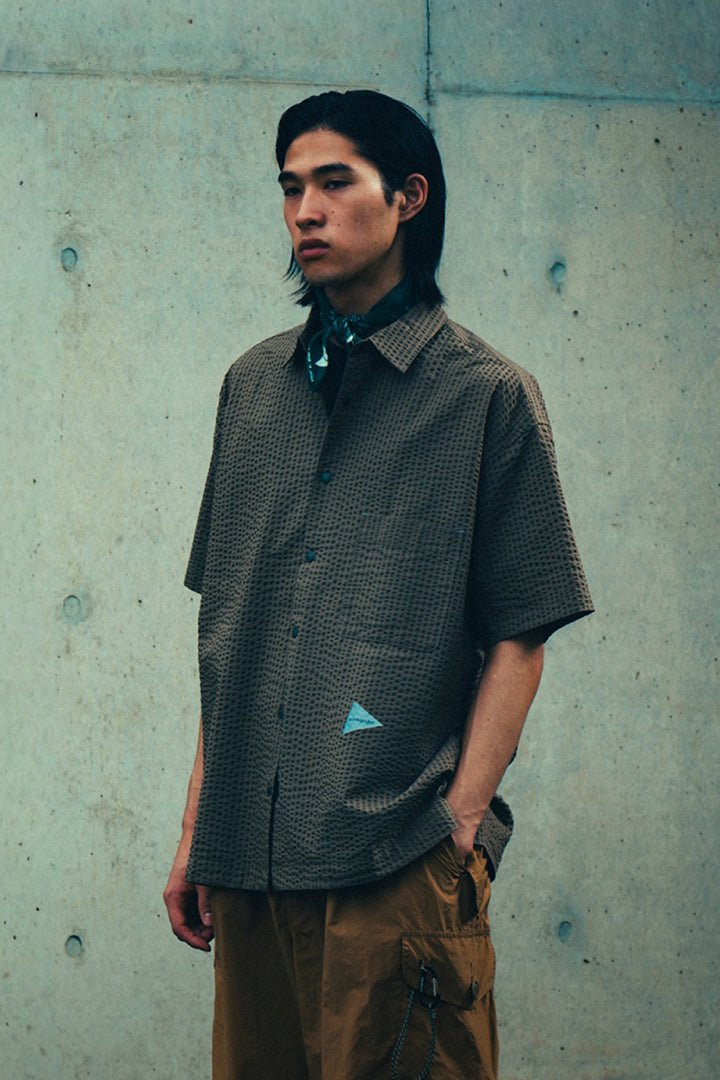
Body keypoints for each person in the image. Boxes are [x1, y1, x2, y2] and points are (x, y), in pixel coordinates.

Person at [164, 89, 593, 1080]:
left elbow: (522, 636)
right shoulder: (251, 388)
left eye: (333, 182)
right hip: (249, 865)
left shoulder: (487, 396)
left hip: (396, 865)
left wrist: (458, 833)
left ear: (408, 197)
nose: (304, 211)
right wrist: (196, 832)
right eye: (290, 188)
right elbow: (234, 640)